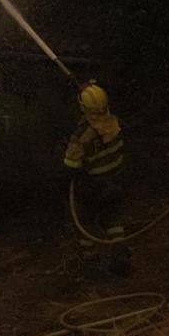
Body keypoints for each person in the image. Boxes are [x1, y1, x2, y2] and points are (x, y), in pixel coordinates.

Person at [63, 80, 129, 275]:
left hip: (93, 186)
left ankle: (91, 261)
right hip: (115, 181)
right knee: (114, 221)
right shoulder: (114, 123)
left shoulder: (83, 134)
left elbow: (71, 164)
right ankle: (120, 257)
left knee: (84, 221)